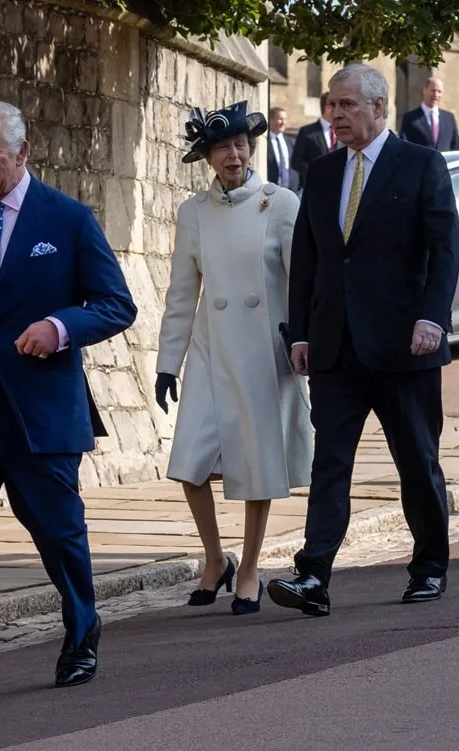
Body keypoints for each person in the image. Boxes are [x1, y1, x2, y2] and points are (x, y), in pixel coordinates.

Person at [0, 99, 137, 712]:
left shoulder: (68, 219)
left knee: (56, 531)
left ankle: (82, 625)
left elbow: (115, 303)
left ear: (22, 151)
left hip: (39, 410)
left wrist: (58, 326)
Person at [266, 63, 459, 615]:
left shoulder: (422, 165)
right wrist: (300, 332)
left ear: (378, 107)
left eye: (347, 105)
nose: (336, 115)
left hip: (405, 346)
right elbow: (307, 259)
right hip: (335, 347)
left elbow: (445, 250)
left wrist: (433, 318)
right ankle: (314, 577)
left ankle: (429, 567)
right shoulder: (323, 173)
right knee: (330, 463)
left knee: (417, 460)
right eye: (332, 104)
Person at [155, 102, 312, 615]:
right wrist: (166, 363)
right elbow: (182, 293)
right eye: (222, 146)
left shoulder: (281, 203)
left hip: (262, 350)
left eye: (242, 143)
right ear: (207, 156)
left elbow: (301, 286)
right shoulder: (193, 213)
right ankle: (213, 558)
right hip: (208, 351)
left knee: (255, 464)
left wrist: (300, 341)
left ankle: (248, 566)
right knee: (189, 466)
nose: (234, 153)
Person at [399, 76, 459, 151]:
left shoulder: (449, 118)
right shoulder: (410, 118)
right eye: (433, 90)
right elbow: (404, 148)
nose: (436, 95)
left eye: (439, 91)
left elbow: (456, 147)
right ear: (424, 90)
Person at [291, 92, 338, 186]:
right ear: (326, 108)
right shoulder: (307, 132)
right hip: (314, 186)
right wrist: (314, 172)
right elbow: (296, 161)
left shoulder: (343, 131)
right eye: (333, 106)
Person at [265, 106, 300, 192]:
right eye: (280, 119)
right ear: (270, 120)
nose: (283, 122)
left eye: (285, 119)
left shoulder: (292, 142)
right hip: (271, 191)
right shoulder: (264, 142)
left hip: (292, 192)